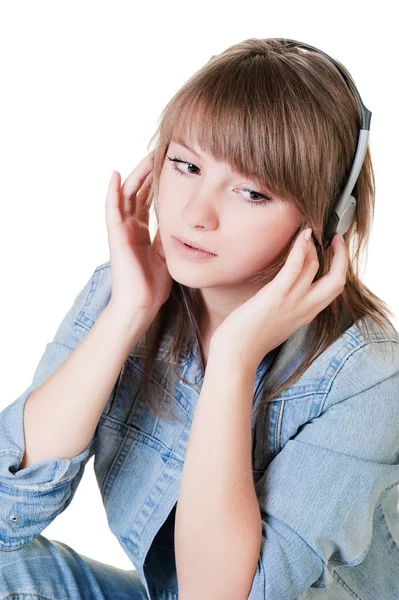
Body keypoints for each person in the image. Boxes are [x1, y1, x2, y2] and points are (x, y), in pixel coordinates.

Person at [0, 37, 398, 600]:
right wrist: (128, 312)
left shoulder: (367, 376)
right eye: (186, 165)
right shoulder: (130, 288)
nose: (194, 213)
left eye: (252, 192)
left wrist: (234, 361)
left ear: (326, 222)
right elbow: (5, 511)